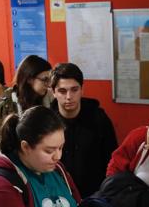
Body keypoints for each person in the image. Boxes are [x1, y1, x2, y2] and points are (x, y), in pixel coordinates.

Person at [48, 62, 118, 198]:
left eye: (74, 90)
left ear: (82, 90)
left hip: (96, 195)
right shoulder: (46, 122)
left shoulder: (99, 118)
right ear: (53, 92)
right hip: (57, 195)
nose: (69, 97)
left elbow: (112, 160)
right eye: (62, 91)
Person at [0, 55, 53, 154]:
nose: (48, 85)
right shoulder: (7, 104)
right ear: (29, 79)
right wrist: (15, 142)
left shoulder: (50, 100)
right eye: (44, 80)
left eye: (50, 80)